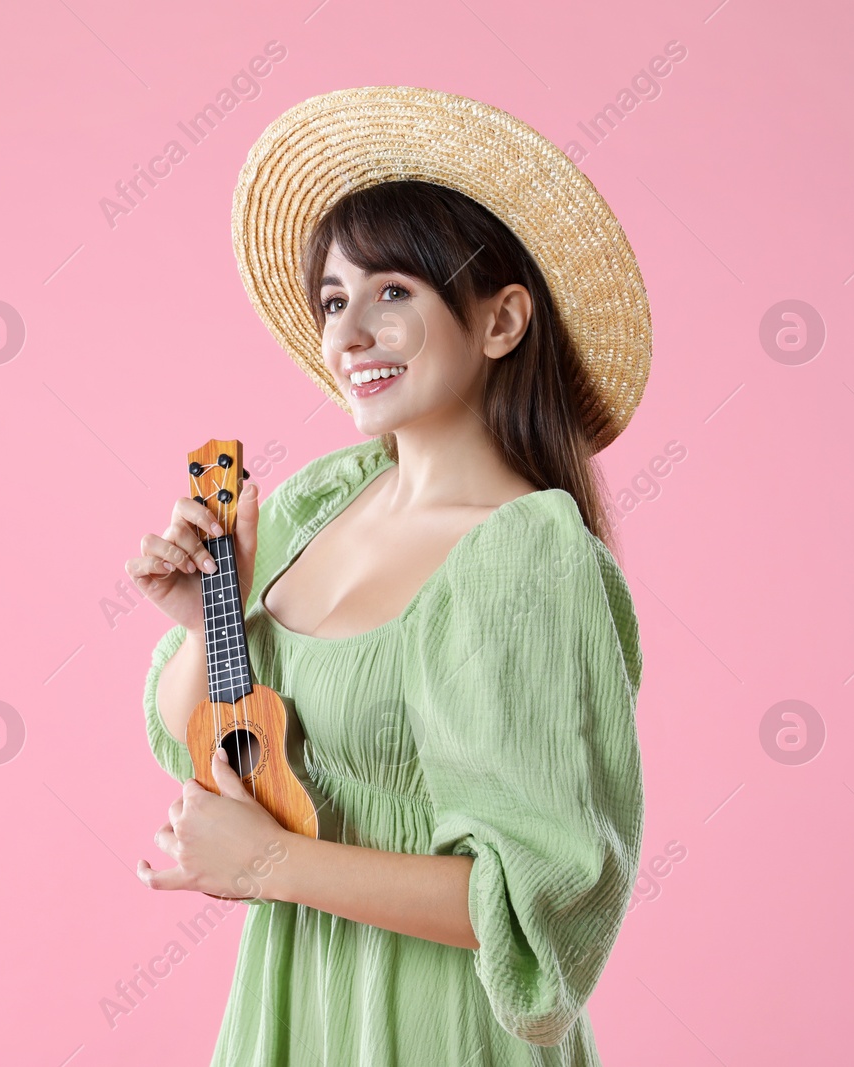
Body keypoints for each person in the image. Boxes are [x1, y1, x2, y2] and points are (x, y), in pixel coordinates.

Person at [123, 86, 651, 1066]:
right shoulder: (311, 505)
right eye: (334, 298)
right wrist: (211, 619)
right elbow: (208, 760)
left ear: (500, 322)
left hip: (441, 1026)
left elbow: (540, 905)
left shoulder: (526, 559)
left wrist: (276, 863)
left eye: (393, 290)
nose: (348, 332)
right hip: (294, 1003)